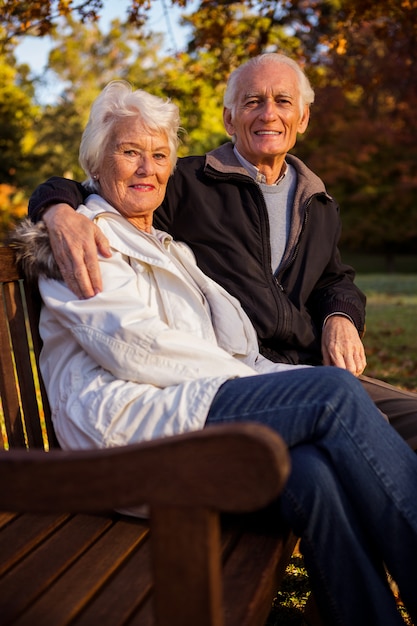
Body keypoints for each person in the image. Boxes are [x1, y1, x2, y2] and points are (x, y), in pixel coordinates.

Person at [13, 79, 417, 626]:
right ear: (97, 162)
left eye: (159, 155)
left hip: (180, 409)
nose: (146, 168)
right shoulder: (85, 239)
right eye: (129, 152)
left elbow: (237, 344)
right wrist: (57, 208)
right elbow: (134, 347)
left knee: (313, 473)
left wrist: (278, 370)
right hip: (123, 432)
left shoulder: (166, 244)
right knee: (333, 393)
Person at [27, 53, 417, 450]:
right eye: (252, 102)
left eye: (283, 101)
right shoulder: (189, 182)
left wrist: (341, 316)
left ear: (302, 118)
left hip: (309, 365)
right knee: (353, 431)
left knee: (410, 417)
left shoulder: (318, 202)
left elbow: (333, 278)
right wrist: (57, 209)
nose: (268, 114)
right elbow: (104, 183)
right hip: (238, 372)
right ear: (229, 120)